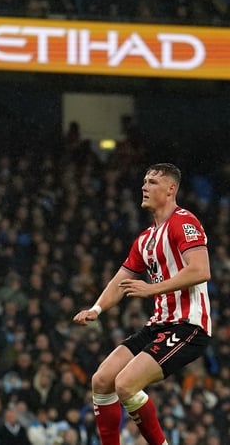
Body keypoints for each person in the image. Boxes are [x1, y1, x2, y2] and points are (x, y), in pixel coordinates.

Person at [73, 163, 211, 445]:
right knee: (102, 380)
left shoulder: (184, 222)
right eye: (144, 181)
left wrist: (152, 289)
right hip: (158, 325)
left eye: (152, 182)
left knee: (125, 384)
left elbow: (200, 270)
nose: (144, 187)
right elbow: (121, 280)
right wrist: (96, 309)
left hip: (188, 326)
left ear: (171, 189)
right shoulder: (146, 238)